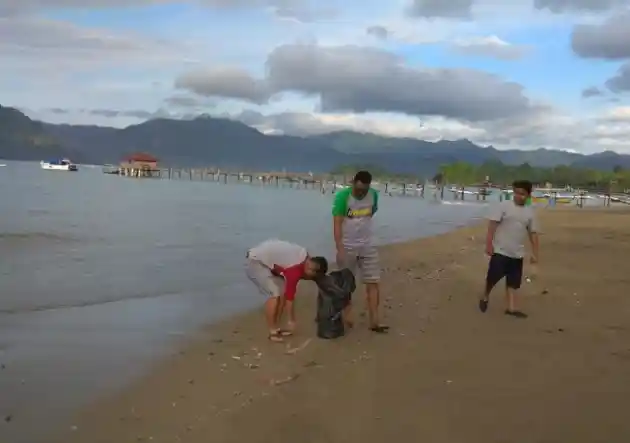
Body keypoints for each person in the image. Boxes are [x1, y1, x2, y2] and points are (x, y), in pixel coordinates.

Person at [332, 170, 389, 333]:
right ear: (353, 183)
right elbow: (337, 223)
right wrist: (339, 248)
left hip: (368, 245)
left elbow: (372, 213)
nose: (361, 193)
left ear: (369, 186)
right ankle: (347, 316)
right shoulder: (343, 196)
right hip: (347, 245)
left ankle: (375, 321)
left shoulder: (373, 196)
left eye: (364, 190)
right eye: (358, 190)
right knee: (346, 284)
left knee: (373, 282)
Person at [246, 239, 328, 342]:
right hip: (255, 261)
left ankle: (276, 326)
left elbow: (287, 294)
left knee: (282, 291)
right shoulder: (295, 271)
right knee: (274, 294)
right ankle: (273, 332)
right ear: (311, 271)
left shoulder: (307, 259)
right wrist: (291, 320)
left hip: (267, 260)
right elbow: (290, 299)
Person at [479, 180, 540, 318]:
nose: (519, 196)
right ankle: (485, 296)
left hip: (517, 253)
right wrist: (489, 244)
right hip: (501, 250)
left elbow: (533, 233)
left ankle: (511, 308)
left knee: (513, 282)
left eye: (522, 194)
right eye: (516, 193)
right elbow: (492, 225)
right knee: (492, 278)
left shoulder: (530, 213)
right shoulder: (504, 206)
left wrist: (535, 253)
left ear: (529, 195)